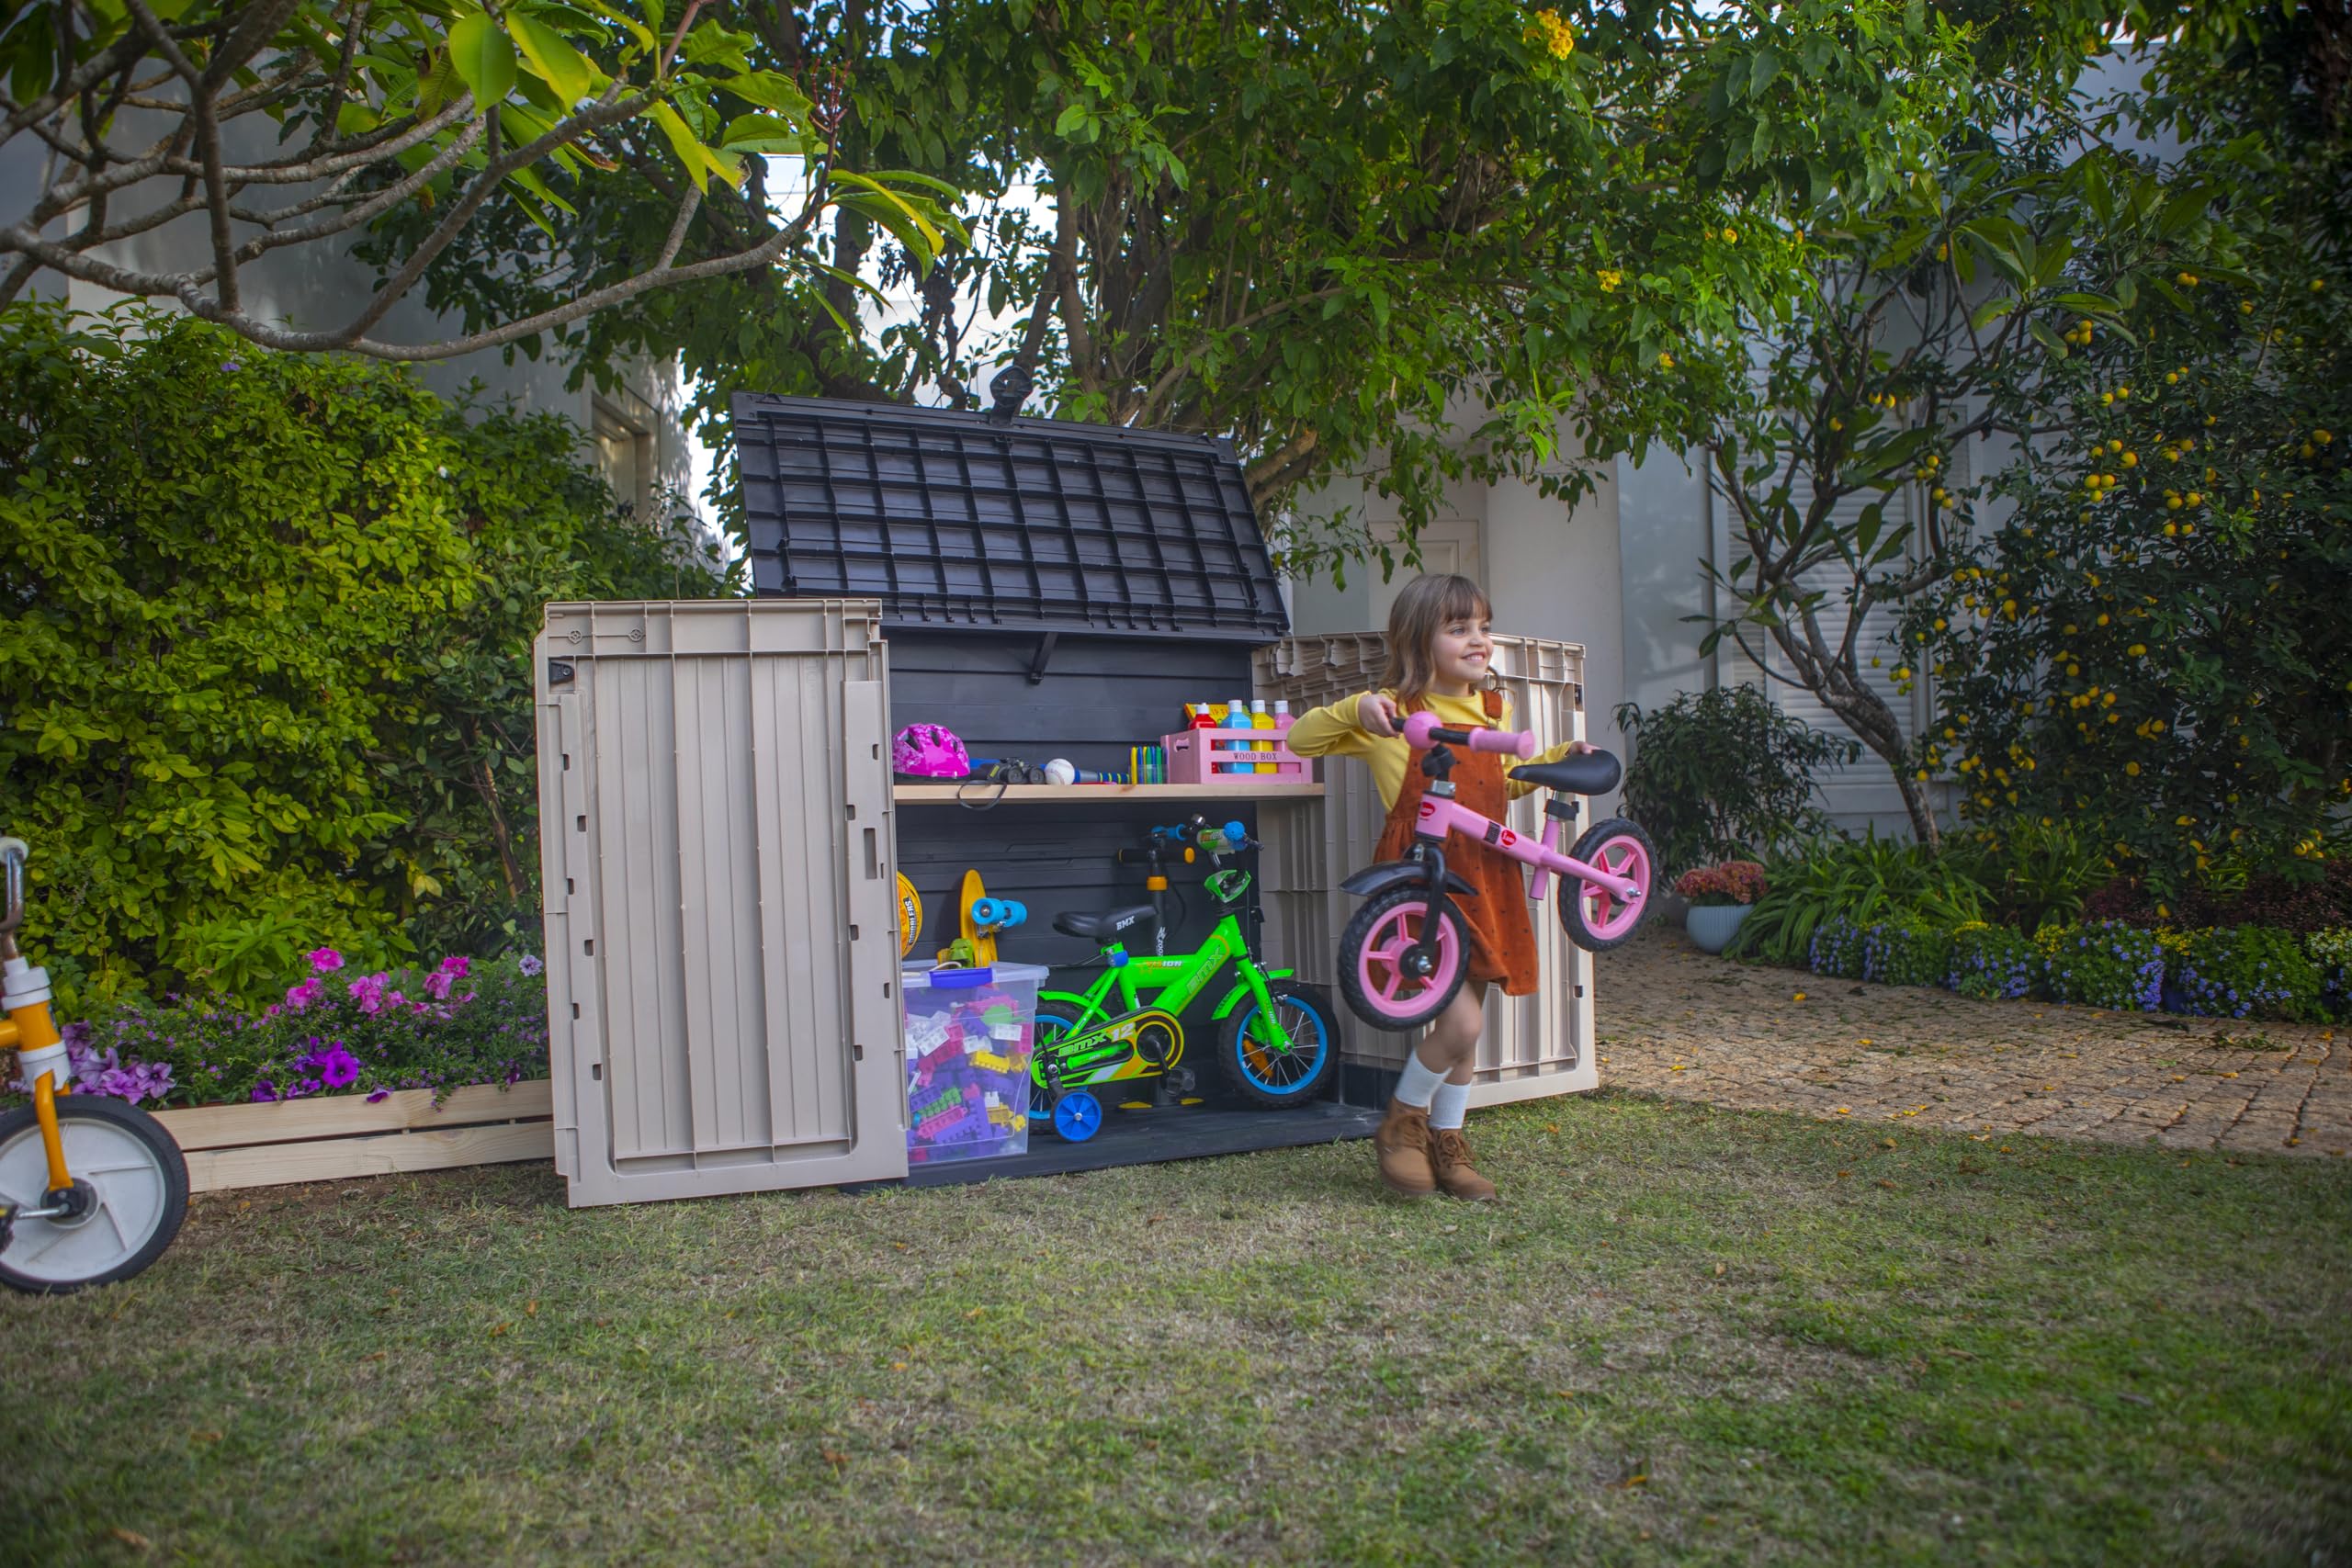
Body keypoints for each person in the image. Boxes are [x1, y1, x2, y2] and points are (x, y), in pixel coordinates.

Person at [1284, 574, 1589, 1201]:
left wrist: (1564, 752)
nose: (1478, 640)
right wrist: (1354, 707)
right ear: (1420, 641)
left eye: (1483, 625)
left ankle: (1447, 1145)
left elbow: (1505, 783)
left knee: (1468, 1033)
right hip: (1423, 886)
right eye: (1459, 628)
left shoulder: (1489, 711)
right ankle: (1402, 1121)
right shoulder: (1394, 711)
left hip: (1485, 878)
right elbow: (1299, 738)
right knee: (1464, 1023)